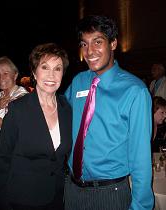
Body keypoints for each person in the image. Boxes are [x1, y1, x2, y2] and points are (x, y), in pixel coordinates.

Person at [64, 15, 154, 210]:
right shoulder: (79, 81)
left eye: (97, 42)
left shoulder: (135, 91)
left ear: (113, 43)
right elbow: (56, 114)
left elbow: (141, 156)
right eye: (84, 44)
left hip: (109, 194)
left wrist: (141, 206)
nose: (89, 51)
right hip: (72, 189)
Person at [0, 43, 72, 210]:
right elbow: (2, 159)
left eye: (57, 68)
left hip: (58, 197)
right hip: (21, 199)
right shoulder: (18, 109)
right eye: (44, 67)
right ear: (34, 72)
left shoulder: (66, 108)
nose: (51, 75)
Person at [0, 56, 28, 140]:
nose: (0, 78)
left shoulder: (22, 96)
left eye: (5, 73)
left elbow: (8, 124)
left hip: (13, 149)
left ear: (15, 75)